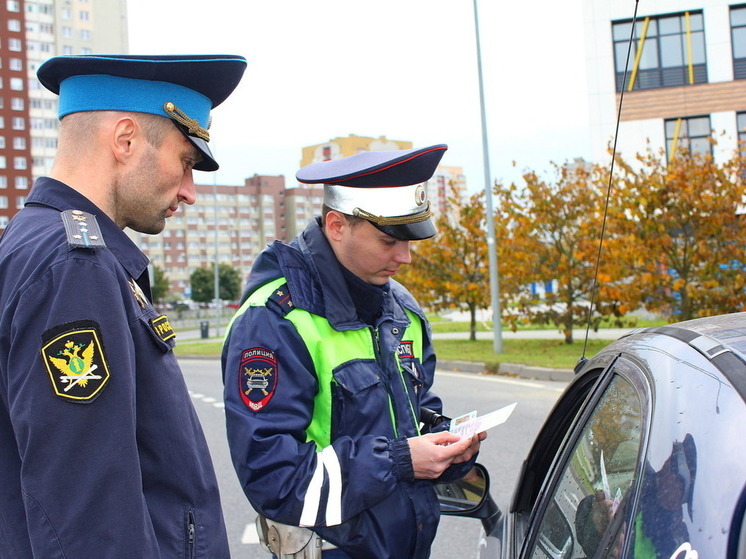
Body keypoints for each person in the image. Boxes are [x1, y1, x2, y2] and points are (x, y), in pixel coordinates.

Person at [0, 54, 246, 558]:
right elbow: (89, 514)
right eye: (185, 162)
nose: (189, 192)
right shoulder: (73, 265)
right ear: (126, 139)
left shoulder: (37, 243)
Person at [222, 145, 485, 559]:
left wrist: (445, 438)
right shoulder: (274, 321)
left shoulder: (403, 310)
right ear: (337, 225)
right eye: (388, 241)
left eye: (411, 240)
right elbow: (273, 478)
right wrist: (400, 461)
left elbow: (416, 413)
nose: (405, 258)